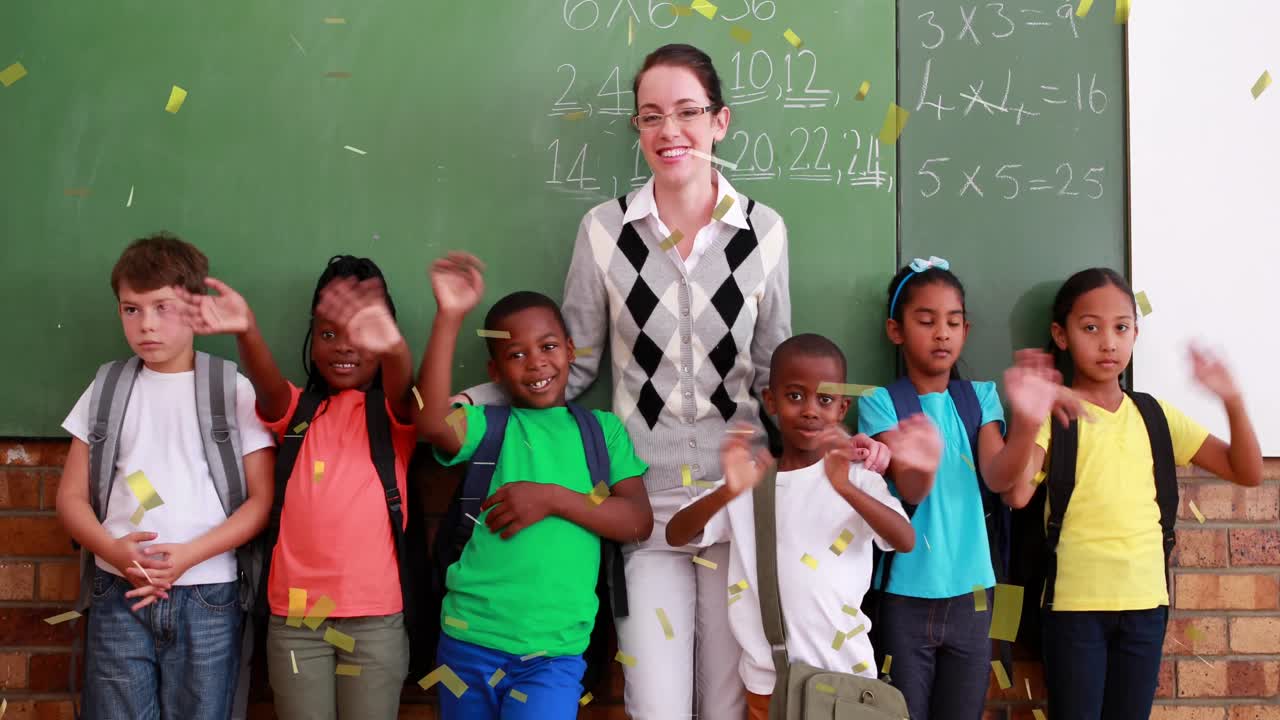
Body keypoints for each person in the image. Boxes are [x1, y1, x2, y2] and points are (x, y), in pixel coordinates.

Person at [456, 43, 884, 719]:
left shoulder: (763, 232)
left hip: (736, 504)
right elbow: (575, 365)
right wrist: (466, 405)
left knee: (723, 706)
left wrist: (842, 441)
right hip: (642, 502)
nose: (669, 131)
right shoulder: (604, 230)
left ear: (720, 121)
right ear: (636, 128)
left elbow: (778, 373)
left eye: (687, 112)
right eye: (651, 116)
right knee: (655, 705)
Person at [1002, 268, 1263, 720]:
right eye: (1091, 328)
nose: (1108, 342)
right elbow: (1018, 494)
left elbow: (1247, 471)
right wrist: (1026, 417)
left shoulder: (1155, 415)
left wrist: (1232, 400)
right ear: (1060, 336)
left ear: (1135, 333)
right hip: (1074, 608)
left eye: (1121, 328)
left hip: (1146, 606)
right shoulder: (1056, 413)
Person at [178, 255, 417, 719]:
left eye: (361, 333)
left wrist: (392, 345)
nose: (342, 347)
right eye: (328, 334)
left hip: (375, 620)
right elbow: (268, 390)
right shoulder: (298, 413)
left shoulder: (393, 415)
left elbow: (404, 386)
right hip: (295, 621)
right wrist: (246, 329)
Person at [417, 251, 653, 719]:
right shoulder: (489, 425)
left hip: (554, 653)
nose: (536, 363)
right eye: (516, 354)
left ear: (570, 349)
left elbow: (637, 521)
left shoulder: (601, 432)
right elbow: (429, 422)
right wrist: (448, 317)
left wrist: (551, 498)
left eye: (547, 347)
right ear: (495, 371)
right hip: (469, 642)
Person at [57, 233, 275, 720]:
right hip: (119, 592)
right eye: (131, 309)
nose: (146, 324)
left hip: (209, 595)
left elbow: (260, 501)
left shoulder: (231, 388)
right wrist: (113, 551)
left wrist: (189, 557)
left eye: (162, 306)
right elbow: (70, 497)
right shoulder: (107, 386)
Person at [857, 258, 1078, 720]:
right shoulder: (881, 403)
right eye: (926, 321)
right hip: (903, 598)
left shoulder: (980, 396)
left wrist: (1029, 422)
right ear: (896, 331)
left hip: (978, 599)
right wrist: (920, 459)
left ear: (966, 330)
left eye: (953, 322)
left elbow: (1001, 479)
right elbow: (906, 491)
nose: (942, 333)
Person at [665, 334, 915, 720]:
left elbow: (904, 538)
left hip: (845, 680)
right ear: (771, 401)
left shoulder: (859, 478)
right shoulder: (750, 481)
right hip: (770, 686)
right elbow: (676, 534)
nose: (811, 410)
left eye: (825, 399)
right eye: (795, 396)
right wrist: (728, 490)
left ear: (842, 408)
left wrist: (845, 487)